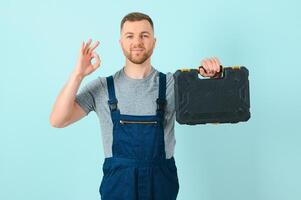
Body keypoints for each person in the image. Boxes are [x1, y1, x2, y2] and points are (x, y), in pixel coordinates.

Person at [49, 12, 222, 200]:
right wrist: (78, 75)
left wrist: (215, 82)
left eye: (144, 35)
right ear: (121, 42)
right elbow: (58, 120)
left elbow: (215, 119)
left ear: (154, 42)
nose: (137, 41)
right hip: (118, 187)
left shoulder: (174, 84)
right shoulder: (102, 88)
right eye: (129, 36)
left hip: (161, 185)